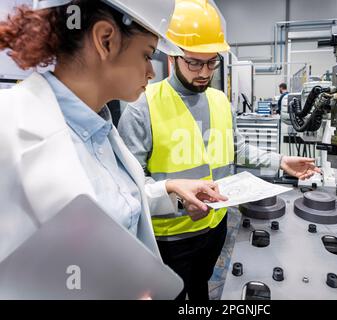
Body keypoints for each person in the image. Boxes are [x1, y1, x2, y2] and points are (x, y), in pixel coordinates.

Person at [0, 0, 227, 296]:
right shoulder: (9, 130)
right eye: (147, 55)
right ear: (106, 39)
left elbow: (113, 206)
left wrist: (169, 188)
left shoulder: (99, 127)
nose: (150, 71)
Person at [118, 0, 320, 301]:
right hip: (170, 238)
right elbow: (129, 188)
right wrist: (174, 198)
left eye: (211, 62)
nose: (204, 72)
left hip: (215, 226)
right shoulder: (142, 106)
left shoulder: (219, 101)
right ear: (173, 57)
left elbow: (237, 149)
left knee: (201, 289)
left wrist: (281, 161)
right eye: (194, 63)